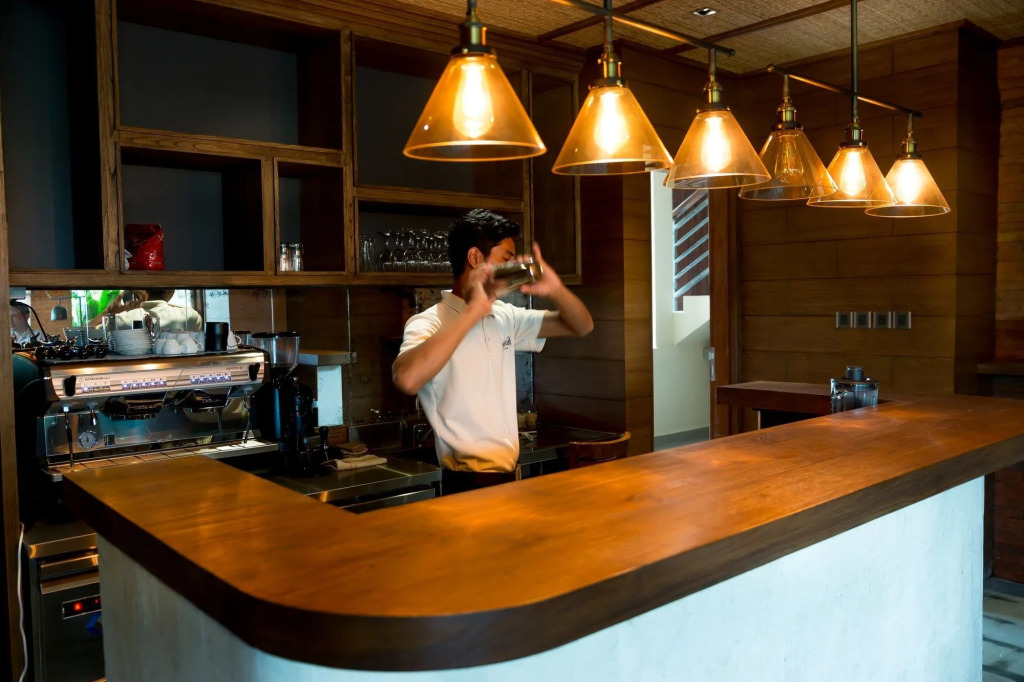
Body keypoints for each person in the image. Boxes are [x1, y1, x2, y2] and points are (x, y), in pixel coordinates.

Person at [392, 209, 593, 493]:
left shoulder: (504, 315)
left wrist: (556, 290)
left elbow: (581, 325)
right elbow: (407, 379)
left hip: (508, 475)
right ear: (475, 258)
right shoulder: (429, 321)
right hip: (464, 481)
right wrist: (473, 310)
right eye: (506, 259)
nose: (513, 268)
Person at [99, 289, 203, 332]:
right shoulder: (190, 315)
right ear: (170, 292)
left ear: (142, 291)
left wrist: (110, 312)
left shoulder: (119, 320)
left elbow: (92, 332)